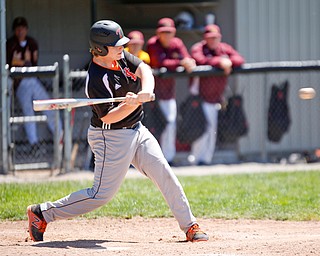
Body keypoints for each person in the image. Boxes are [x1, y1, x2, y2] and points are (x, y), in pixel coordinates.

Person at [27, 20, 208, 243]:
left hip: (137, 130)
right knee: (100, 195)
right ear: (101, 49)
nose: (122, 48)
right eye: (116, 45)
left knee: (164, 172)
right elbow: (108, 116)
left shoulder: (120, 58)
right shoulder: (95, 78)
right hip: (110, 137)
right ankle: (42, 213)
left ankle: (190, 225)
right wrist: (130, 104)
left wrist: (145, 91)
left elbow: (144, 69)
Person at [188, 24, 245, 165]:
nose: (213, 40)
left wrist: (228, 61)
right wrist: (220, 61)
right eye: (210, 38)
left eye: (215, 38)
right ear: (205, 38)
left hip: (216, 98)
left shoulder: (224, 48)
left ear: (219, 38)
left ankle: (206, 159)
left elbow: (240, 60)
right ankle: (195, 158)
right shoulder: (198, 47)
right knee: (200, 128)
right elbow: (199, 59)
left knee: (211, 129)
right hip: (198, 98)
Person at [6, 17, 63, 153]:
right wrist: (21, 62)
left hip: (33, 79)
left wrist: (21, 62)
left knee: (47, 104)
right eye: (18, 29)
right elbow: (10, 65)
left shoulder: (32, 43)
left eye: (22, 28)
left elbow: (32, 63)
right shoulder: (11, 44)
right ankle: (34, 144)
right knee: (28, 112)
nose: (20, 31)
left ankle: (60, 135)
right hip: (19, 84)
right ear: (15, 31)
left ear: (26, 29)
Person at [147, 17, 196, 165]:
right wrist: (180, 62)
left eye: (169, 32)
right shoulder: (153, 44)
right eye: (163, 32)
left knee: (170, 124)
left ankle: (167, 157)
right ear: (158, 33)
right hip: (150, 94)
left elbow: (187, 58)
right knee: (152, 127)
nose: (166, 35)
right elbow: (159, 62)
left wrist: (187, 61)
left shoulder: (177, 43)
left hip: (168, 93)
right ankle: (154, 158)